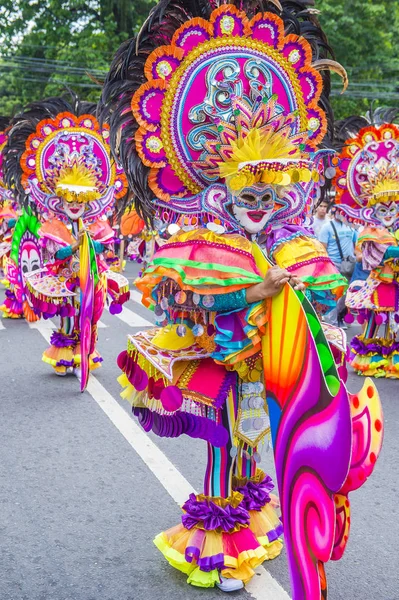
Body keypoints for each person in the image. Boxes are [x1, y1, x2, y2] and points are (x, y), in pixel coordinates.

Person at [101, 0, 383, 596]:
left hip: (272, 368)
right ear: (220, 192)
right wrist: (253, 290)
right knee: (226, 446)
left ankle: (255, 522)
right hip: (221, 363)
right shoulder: (200, 244)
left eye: (270, 193)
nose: (259, 205)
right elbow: (178, 302)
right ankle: (219, 548)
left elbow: (321, 295)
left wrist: (337, 289)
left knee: (258, 445)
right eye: (245, 192)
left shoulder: (292, 241)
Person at [1, 95, 131, 388]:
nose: (75, 205)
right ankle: (66, 355)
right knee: (70, 319)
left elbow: (103, 245)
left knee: (91, 318)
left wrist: (92, 246)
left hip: (91, 277)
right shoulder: (54, 224)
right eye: (69, 199)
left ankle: (85, 353)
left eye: (81, 200)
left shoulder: (93, 222)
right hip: (65, 280)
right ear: (59, 198)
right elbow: (55, 252)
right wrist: (74, 247)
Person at [333, 109, 399, 378]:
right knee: (377, 321)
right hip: (380, 284)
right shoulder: (372, 231)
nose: (390, 213)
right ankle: (375, 357)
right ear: (373, 210)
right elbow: (373, 256)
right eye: (383, 210)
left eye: (394, 207)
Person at [319, 211, 358, 327]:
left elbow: (356, 245)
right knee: (335, 294)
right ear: (334, 213)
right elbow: (322, 248)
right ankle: (333, 323)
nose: (343, 214)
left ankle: (340, 316)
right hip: (333, 264)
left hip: (349, 264)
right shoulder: (327, 227)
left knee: (347, 294)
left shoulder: (351, 226)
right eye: (340, 211)